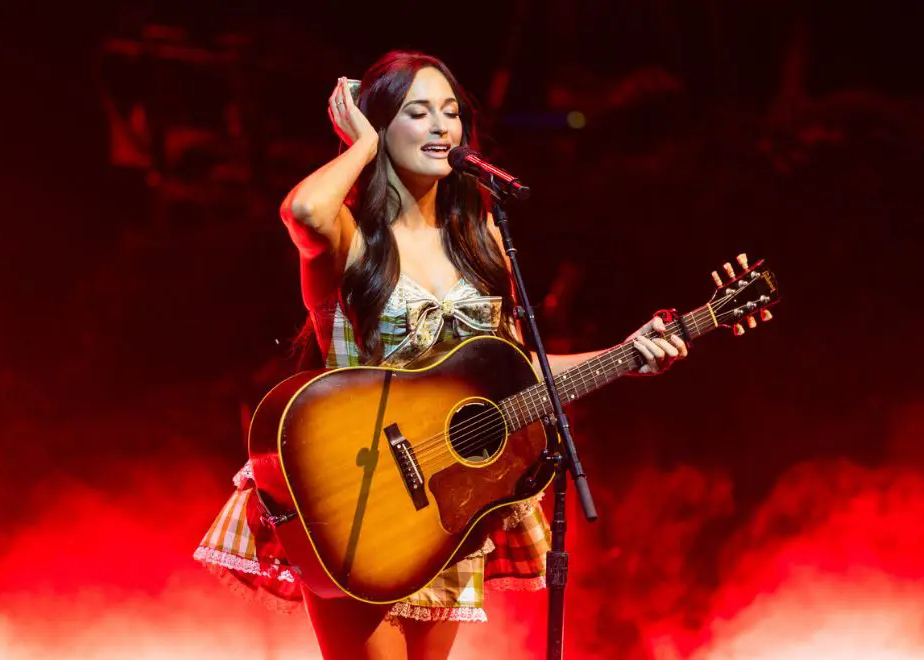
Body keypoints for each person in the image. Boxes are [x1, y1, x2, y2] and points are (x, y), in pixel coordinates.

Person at [194, 50, 688, 660]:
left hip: (443, 501)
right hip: (355, 487)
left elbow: (516, 374)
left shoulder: (480, 239)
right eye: (417, 112)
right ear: (377, 125)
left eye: (450, 113)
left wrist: (624, 355)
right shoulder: (350, 236)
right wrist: (360, 148)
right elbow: (302, 210)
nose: (440, 128)